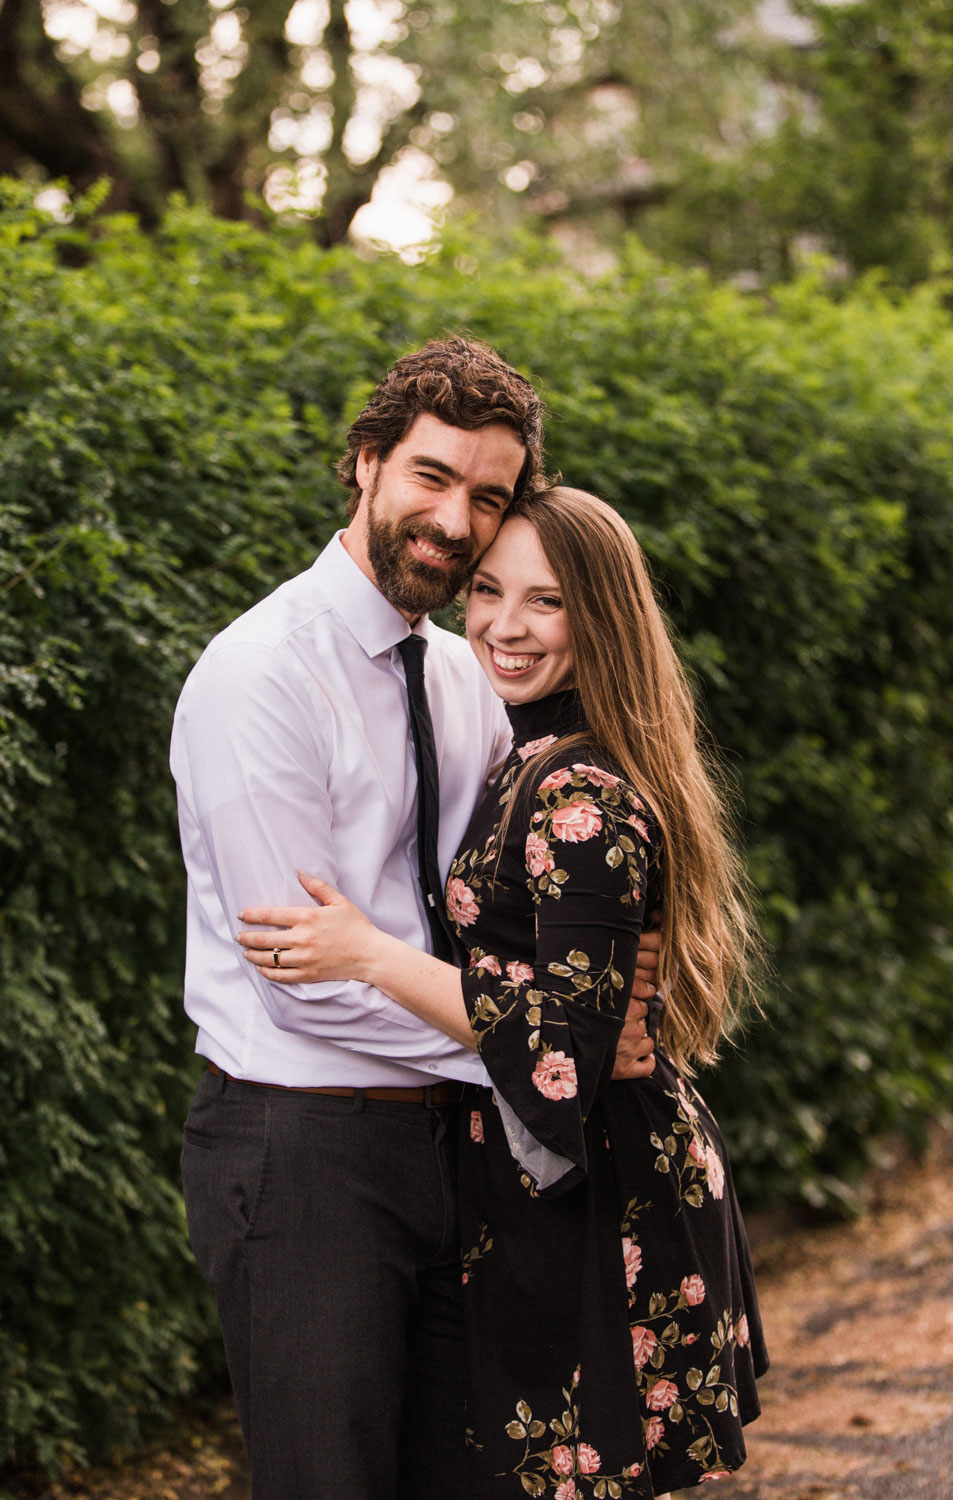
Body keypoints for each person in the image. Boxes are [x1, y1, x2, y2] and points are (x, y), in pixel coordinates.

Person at [171, 342, 658, 1500]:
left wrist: (580, 1016)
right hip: (305, 1152)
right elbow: (311, 975)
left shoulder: (460, 675)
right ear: (364, 463)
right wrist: (548, 1051)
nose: (454, 518)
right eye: (430, 477)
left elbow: (506, 918)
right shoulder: (258, 677)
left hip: (460, 1144)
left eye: (487, 496)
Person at [237, 487, 770, 1497]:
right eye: (487, 591)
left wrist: (366, 953)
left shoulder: (578, 795)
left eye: (547, 602)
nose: (505, 626)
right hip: (555, 1187)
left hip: (597, 1193)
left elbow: (565, 1056)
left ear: (599, 618)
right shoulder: (521, 751)